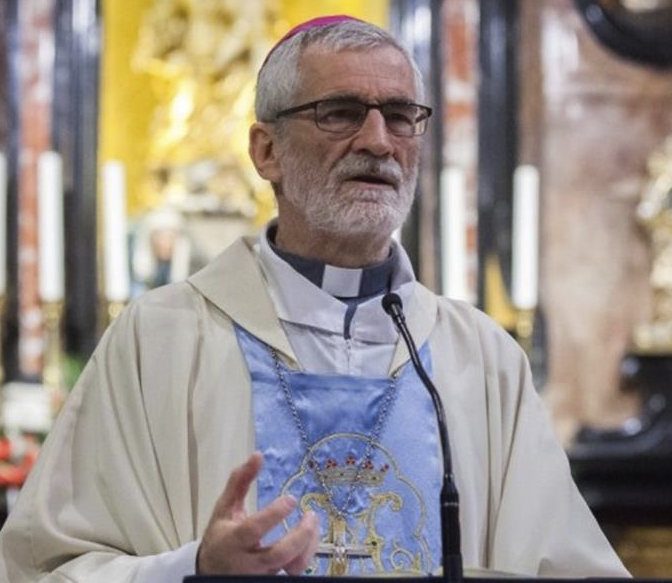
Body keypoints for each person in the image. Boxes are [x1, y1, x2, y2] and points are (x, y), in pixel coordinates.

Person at [0, 16, 629, 583]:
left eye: (400, 115)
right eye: (340, 113)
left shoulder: (482, 358)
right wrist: (195, 569)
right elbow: (48, 568)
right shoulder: (159, 339)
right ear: (266, 151)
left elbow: (571, 569)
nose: (378, 141)